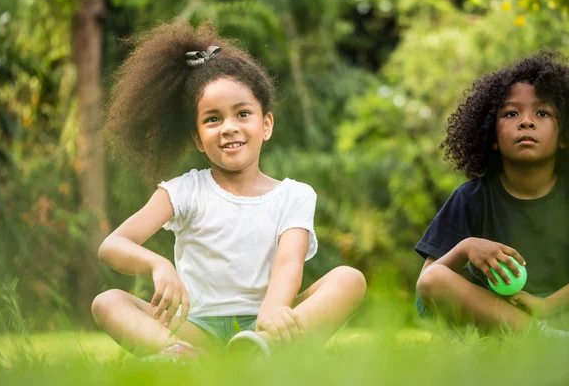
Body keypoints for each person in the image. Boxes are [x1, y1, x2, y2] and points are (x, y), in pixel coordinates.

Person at [91, 20, 367, 359]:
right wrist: (157, 265)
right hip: (197, 329)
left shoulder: (295, 195)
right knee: (108, 302)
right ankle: (182, 357)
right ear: (197, 137)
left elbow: (288, 264)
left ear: (265, 124)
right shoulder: (185, 190)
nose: (229, 128)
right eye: (212, 119)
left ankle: (265, 351)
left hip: (267, 323)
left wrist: (273, 310)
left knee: (348, 279)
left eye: (243, 114)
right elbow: (112, 245)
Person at [415, 51, 569, 337]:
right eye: (511, 113)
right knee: (435, 277)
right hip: (494, 319)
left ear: (564, 136)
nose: (526, 122)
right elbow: (426, 287)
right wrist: (466, 248)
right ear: (491, 136)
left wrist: (546, 306)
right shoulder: (471, 198)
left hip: (562, 315)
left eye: (543, 113)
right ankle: (542, 338)